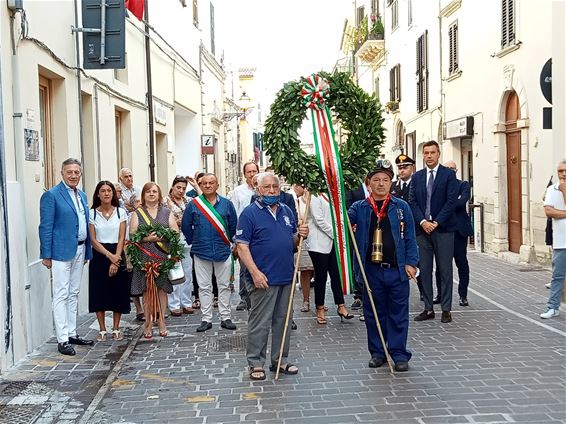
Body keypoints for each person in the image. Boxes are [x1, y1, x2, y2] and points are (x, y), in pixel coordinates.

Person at [236, 172, 309, 380]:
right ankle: (255, 363)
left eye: (274, 187)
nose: (271, 191)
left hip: (286, 275)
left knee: (283, 321)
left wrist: (300, 235)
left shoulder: (286, 210)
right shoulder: (249, 214)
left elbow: (293, 241)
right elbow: (242, 246)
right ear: (258, 190)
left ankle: (280, 360)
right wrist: (255, 272)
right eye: (266, 187)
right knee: (260, 321)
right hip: (262, 278)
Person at [348, 161, 418, 372]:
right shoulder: (359, 208)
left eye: (385, 180)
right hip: (371, 270)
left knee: (398, 312)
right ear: (368, 184)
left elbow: (410, 238)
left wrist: (411, 263)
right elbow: (341, 224)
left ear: (391, 183)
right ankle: (377, 352)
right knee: (373, 313)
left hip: (396, 269)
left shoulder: (401, 207)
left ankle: (398, 353)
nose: (381, 184)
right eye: (376, 180)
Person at [39, 158, 94, 356]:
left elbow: (85, 224)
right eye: (69, 172)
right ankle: (62, 339)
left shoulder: (82, 195)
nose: (73, 175)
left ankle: (72, 332)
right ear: (62, 173)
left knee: (74, 293)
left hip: (79, 249)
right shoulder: (51, 196)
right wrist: (46, 254)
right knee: (61, 294)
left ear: (80, 174)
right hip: (61, 251)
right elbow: (45, 226)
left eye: (76, 172)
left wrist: (87, 250)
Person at [182, 173, 238, 332]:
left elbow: (233, 225)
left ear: (217, 185)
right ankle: (206, 319)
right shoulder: (194, 205)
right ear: (201, 185)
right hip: (201, 251)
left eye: (211, 182)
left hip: (222, 250)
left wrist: (229, 242)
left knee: (224, 285)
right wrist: (196, 240)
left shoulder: (227, 204)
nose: (207, 185)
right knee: (204, 286)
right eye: (204, 183)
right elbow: (186, 226)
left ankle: (225, 317)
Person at [409, 141, 458, 323]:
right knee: (426, 270)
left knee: (445, 270)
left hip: (443, 230)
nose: (429, 156)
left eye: (432, 152)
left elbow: (451, 202)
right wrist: (423, 221)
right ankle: (428, 308)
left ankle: (446, 309)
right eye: (426, 153)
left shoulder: (448, 175)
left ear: (438, 154)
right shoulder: (417, 177)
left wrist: (436, 222)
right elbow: (412, 202)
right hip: (423, 231)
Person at [129, 182, 178, 339]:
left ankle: (161, 320)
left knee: (161, 290)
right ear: (143, 195)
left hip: (161, 255)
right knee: (147, 291)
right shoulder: (137, 213)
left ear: (159, 194)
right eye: (148, 192)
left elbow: (175, 231)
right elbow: (133, 234)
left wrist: (164, 236)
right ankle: (148, 322)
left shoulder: (166, 212)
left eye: (154, 191)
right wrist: (149, 238)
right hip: (144, 257)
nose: (151, 194)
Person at [88, 181, 130, 341]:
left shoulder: (121, 212)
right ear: (98, 194)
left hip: (117, 253)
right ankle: (102, 329)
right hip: (99, 255)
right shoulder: (92, 214)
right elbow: (93, 239)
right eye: (102, 191)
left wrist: (115, 259)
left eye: (109, 191)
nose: (106, 193)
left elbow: (121, 237)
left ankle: (116, 328)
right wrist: (108, 255)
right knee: (99, 291)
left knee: (117, 291)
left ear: (113, 194)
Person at [308, 192, 354, 324]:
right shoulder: (316, 195)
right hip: (319, 242)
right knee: (321, 277)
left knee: (336, 274)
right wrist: (336, 233)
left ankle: (341, 306)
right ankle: (320, 308)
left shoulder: (336, 194)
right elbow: (318, 219)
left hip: (335, 243)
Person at [434, 161, 473, 306]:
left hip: (458, 231)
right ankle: (440, 294)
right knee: (441, 265)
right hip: (443, 229)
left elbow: (461, 202)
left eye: (453, 169)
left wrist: (446, 204)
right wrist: (450, 202)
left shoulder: (463, 185)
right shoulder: (439, 186)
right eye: (447, 168)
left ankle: (463, 295)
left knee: (461, 263)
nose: (450, 171)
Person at [390, 154, 425, 302]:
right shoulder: (393, 186)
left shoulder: (418, 185)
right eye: (400, 167)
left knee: (419, 262)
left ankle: (424, 291)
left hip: (415, 230)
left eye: (406, 167)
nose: (402, 170)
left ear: (413, 168)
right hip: (396, 232)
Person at [231, 161, 260, 311]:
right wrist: (235, 240)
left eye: (254, 171)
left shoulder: (263, 189)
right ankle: (244, 297)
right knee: (244, 268)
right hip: (244, 235)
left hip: (260, 235)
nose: (252, 174)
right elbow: (234, 214)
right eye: (249, 172)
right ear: (244, 174)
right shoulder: (238, 192)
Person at [163, 176, 194, 317]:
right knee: (175, 271)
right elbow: (165, 219)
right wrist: (179, 221)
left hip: (187, 238)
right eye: (178, 187)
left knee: (187, 272)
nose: (181, 191)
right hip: (172, 239)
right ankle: (174, 304)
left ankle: (186, 302)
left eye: (183, 188)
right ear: (173, 186)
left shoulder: (188, 201)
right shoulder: (165, 201)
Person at [540, 160, 566, 319]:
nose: (563, 174)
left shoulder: (560, 190)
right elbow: (549, 211)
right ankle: (553, 307)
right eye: (560, 171)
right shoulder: (551, 189)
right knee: (557, 276)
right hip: (561, 241)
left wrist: (565, 192)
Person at [346, 181, 370, 313]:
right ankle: (359, 295)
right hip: (358, 233)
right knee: (358, 264)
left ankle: (370, 298)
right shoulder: (353, 186)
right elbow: (349, 207)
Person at [292, 184, 314, 313]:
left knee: (319, 271)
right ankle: (306, 300)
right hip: (304, 237)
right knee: (305, 270)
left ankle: (319, 301)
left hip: (317, 237)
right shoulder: (296, 202)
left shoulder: (317, 199)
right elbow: (296, 219)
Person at [127, 193, 145, 322]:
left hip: (146, 252)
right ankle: (139, 309)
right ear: (132, 204)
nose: (140, 203)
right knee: (134, 281)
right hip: (131, 251)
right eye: (137, 201)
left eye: (141, 201)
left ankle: (150, 308)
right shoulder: (129, 217)